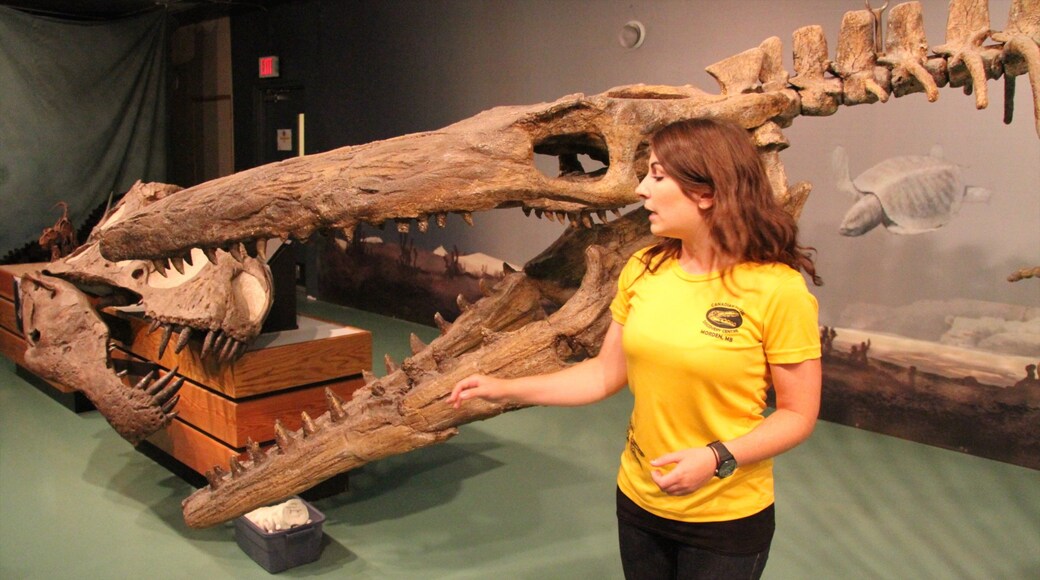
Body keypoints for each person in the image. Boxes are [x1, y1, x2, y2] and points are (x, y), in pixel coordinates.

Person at [450, 118, 822, 579]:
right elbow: (604, 373)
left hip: (725, 517)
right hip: (639, 500)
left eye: (658, 176)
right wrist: (505, 388)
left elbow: (797, 415)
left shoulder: (778, 290)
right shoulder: (644, 268)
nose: (642, 189)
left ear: (706, 193)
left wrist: (715, 457)